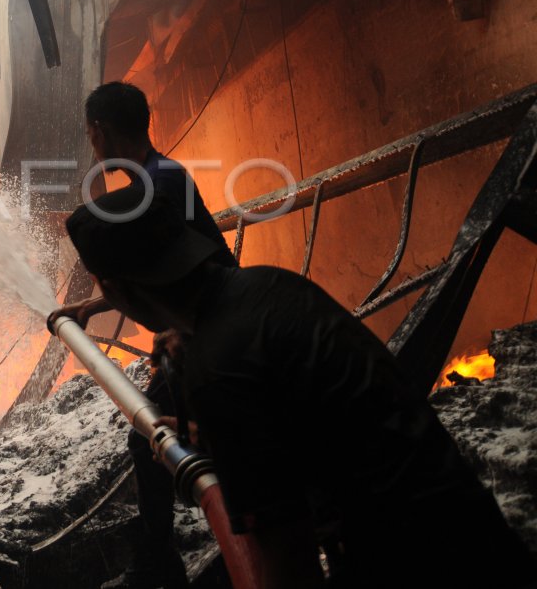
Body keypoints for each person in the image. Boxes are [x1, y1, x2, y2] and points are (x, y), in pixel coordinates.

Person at [63, 185, 537, 589]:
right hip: (473, 537)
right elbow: (318, 423)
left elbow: (288, 562)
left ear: (119, 291)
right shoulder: (267, 286)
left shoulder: (218, 365)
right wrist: (217, 439)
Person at [60, 81, 236, 588]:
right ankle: (172, 553)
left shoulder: (158, 185)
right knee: (155, 438)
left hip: (206, 326)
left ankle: (191, 552)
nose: (91, 143)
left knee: (167, 436)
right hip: (197, 324)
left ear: (102, 131)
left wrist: (181, 328)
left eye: (91, 134)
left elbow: (193, 268)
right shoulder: (155, 178)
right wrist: (92, 305)